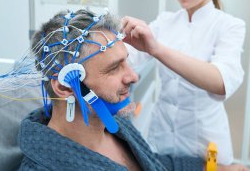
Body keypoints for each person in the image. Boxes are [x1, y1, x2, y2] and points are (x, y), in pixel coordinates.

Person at [17, 9, 207, 171]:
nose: (133, 76)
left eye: (127, 61)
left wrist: (213, 166)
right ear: (65, 86)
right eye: (114, 68)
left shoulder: (114, 124)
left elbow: (151, 163)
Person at [121, 0, 246, 165]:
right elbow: (132, 56)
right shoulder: (165, 21)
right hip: (161, 134)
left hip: (205, 139)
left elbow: (220, 81)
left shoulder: (229, 26)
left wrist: (157, 49)